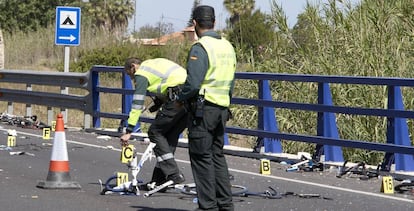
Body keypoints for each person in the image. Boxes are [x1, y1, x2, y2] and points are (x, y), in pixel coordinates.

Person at [176, 5, 237, 211]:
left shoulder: (201, 47)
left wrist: (179, 97)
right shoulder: (227, 46)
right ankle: (225, 205)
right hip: (221, 109)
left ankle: (208, 207)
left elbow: (193, 84)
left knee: (202, 158)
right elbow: (230, 82)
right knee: (217, 156)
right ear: (214, 23)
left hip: (203, 111)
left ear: (194, 24)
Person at [120, 57, 187, 189]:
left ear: (133, 67)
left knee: (154, 132)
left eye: (130, 74)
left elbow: (137, 102)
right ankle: (159, 180)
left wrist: (129, 130)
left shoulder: (141, 73)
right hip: (189, 100)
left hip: (176, 99)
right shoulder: (152, 64)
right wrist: (158, 103)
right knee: (168, 139)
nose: (133, 79)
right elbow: (167, 82)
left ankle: (174, 173)